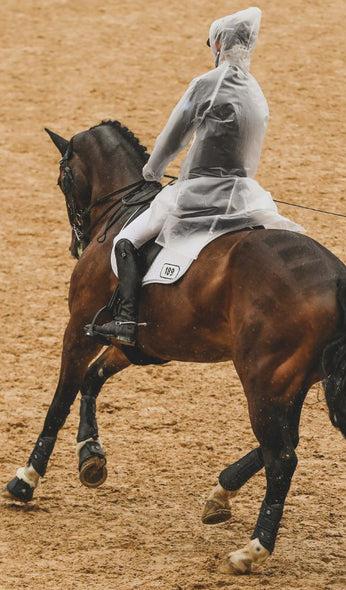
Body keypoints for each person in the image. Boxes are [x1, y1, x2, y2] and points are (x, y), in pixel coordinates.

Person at [90, 6, 303, 346]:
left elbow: (174, 137)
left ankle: (127, 320)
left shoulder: (207, 85)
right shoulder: (257, 93)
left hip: (198, 194)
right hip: (243, 195)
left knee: (125, 241)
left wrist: (152, 170)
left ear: (219, 45)